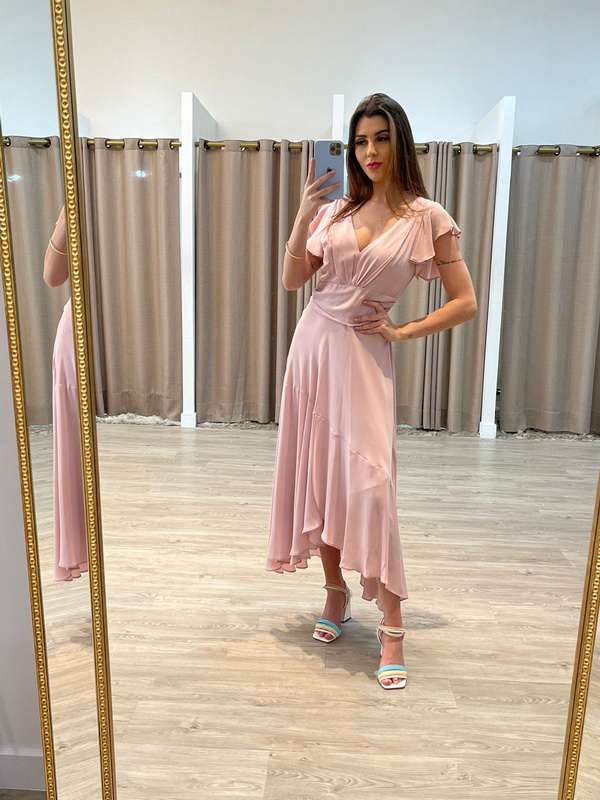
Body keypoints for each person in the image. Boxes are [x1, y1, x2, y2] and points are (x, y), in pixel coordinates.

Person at [266, 93, 477, 689]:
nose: (369, 151)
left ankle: (392, 626)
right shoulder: (334, 212)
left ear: (399, 141)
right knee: (321, 476)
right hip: (313, 350)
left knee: (370, 486)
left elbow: (466, 302)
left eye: (381, 138)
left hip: (364, 359)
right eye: (360, 141)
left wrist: (403, 331)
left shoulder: (427, 217)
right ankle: (335, 593)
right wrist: (304, 214)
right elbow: (292, 280)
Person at [44, 206, 88, 581]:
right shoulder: (75, 201)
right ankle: (77, 550)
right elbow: (52, 277)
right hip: (76, 336)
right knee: (73, 447)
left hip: (109, 332)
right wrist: (65, 217)